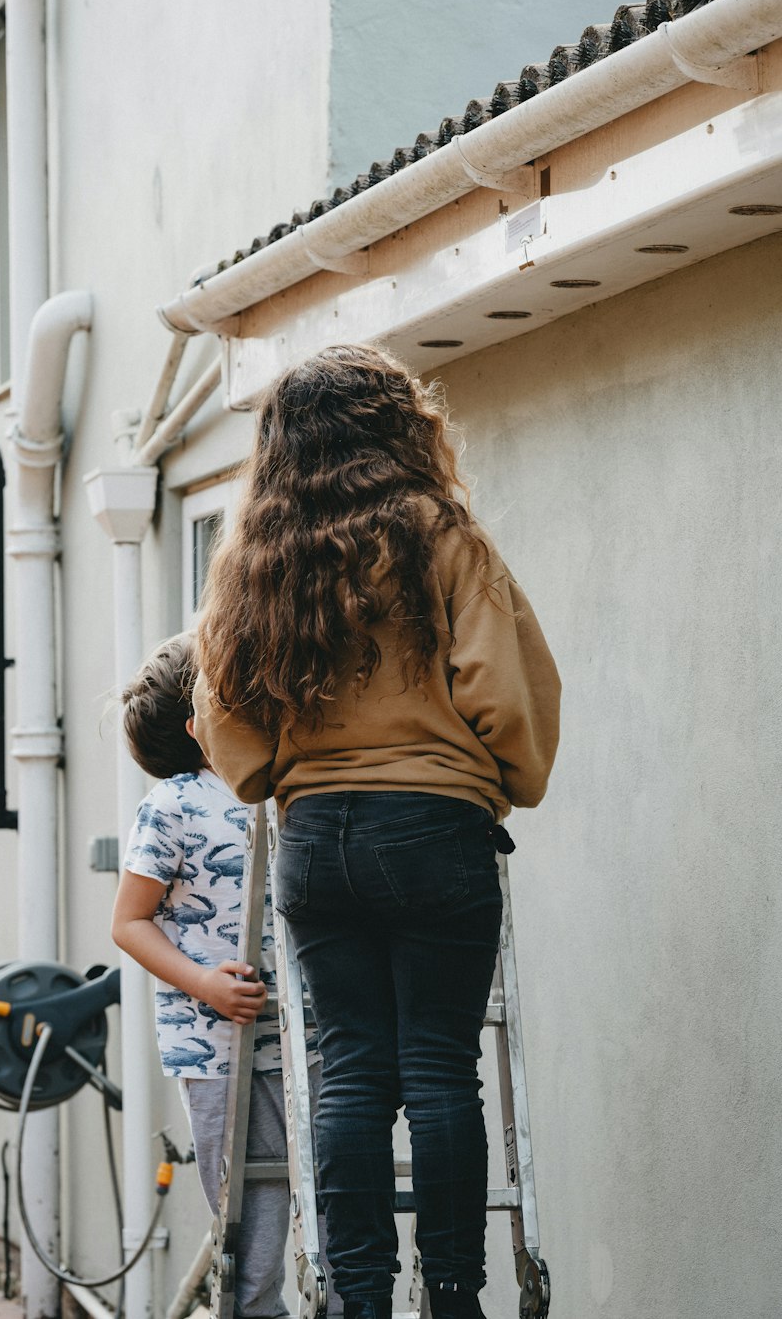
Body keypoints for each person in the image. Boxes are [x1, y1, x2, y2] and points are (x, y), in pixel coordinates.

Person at [192, 344, 561, 1319]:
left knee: (349, 1068)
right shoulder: (439, 534)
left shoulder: (257, 556)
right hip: (435, 827)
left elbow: (221, 710)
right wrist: (502, 780)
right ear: (400, 425)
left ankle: (358, 1301)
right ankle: (450, 1296)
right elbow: (507, 688)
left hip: (317, 842)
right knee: (440, 1065)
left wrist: (275, 779)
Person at [110, 632, 338, 1319]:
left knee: (330, 1201)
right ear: (199, 723)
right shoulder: (174, 805)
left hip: (306, 1040)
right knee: (254, 1223)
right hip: (216, 1052)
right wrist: (203, 982)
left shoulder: (284, 782)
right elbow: (129, 922)